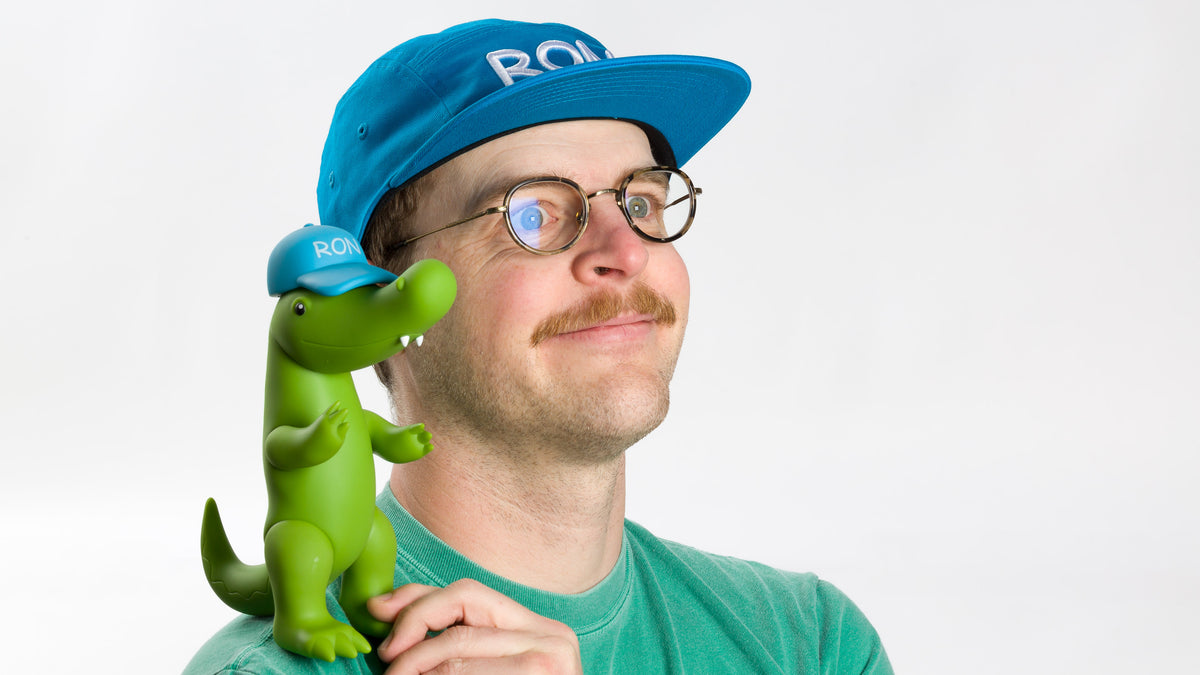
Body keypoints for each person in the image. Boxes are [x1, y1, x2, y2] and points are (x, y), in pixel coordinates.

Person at [186, 18, 892, 674]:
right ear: (382, 300)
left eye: (641, 201)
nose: (626, 252)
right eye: (535, 211)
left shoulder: (808, 643)